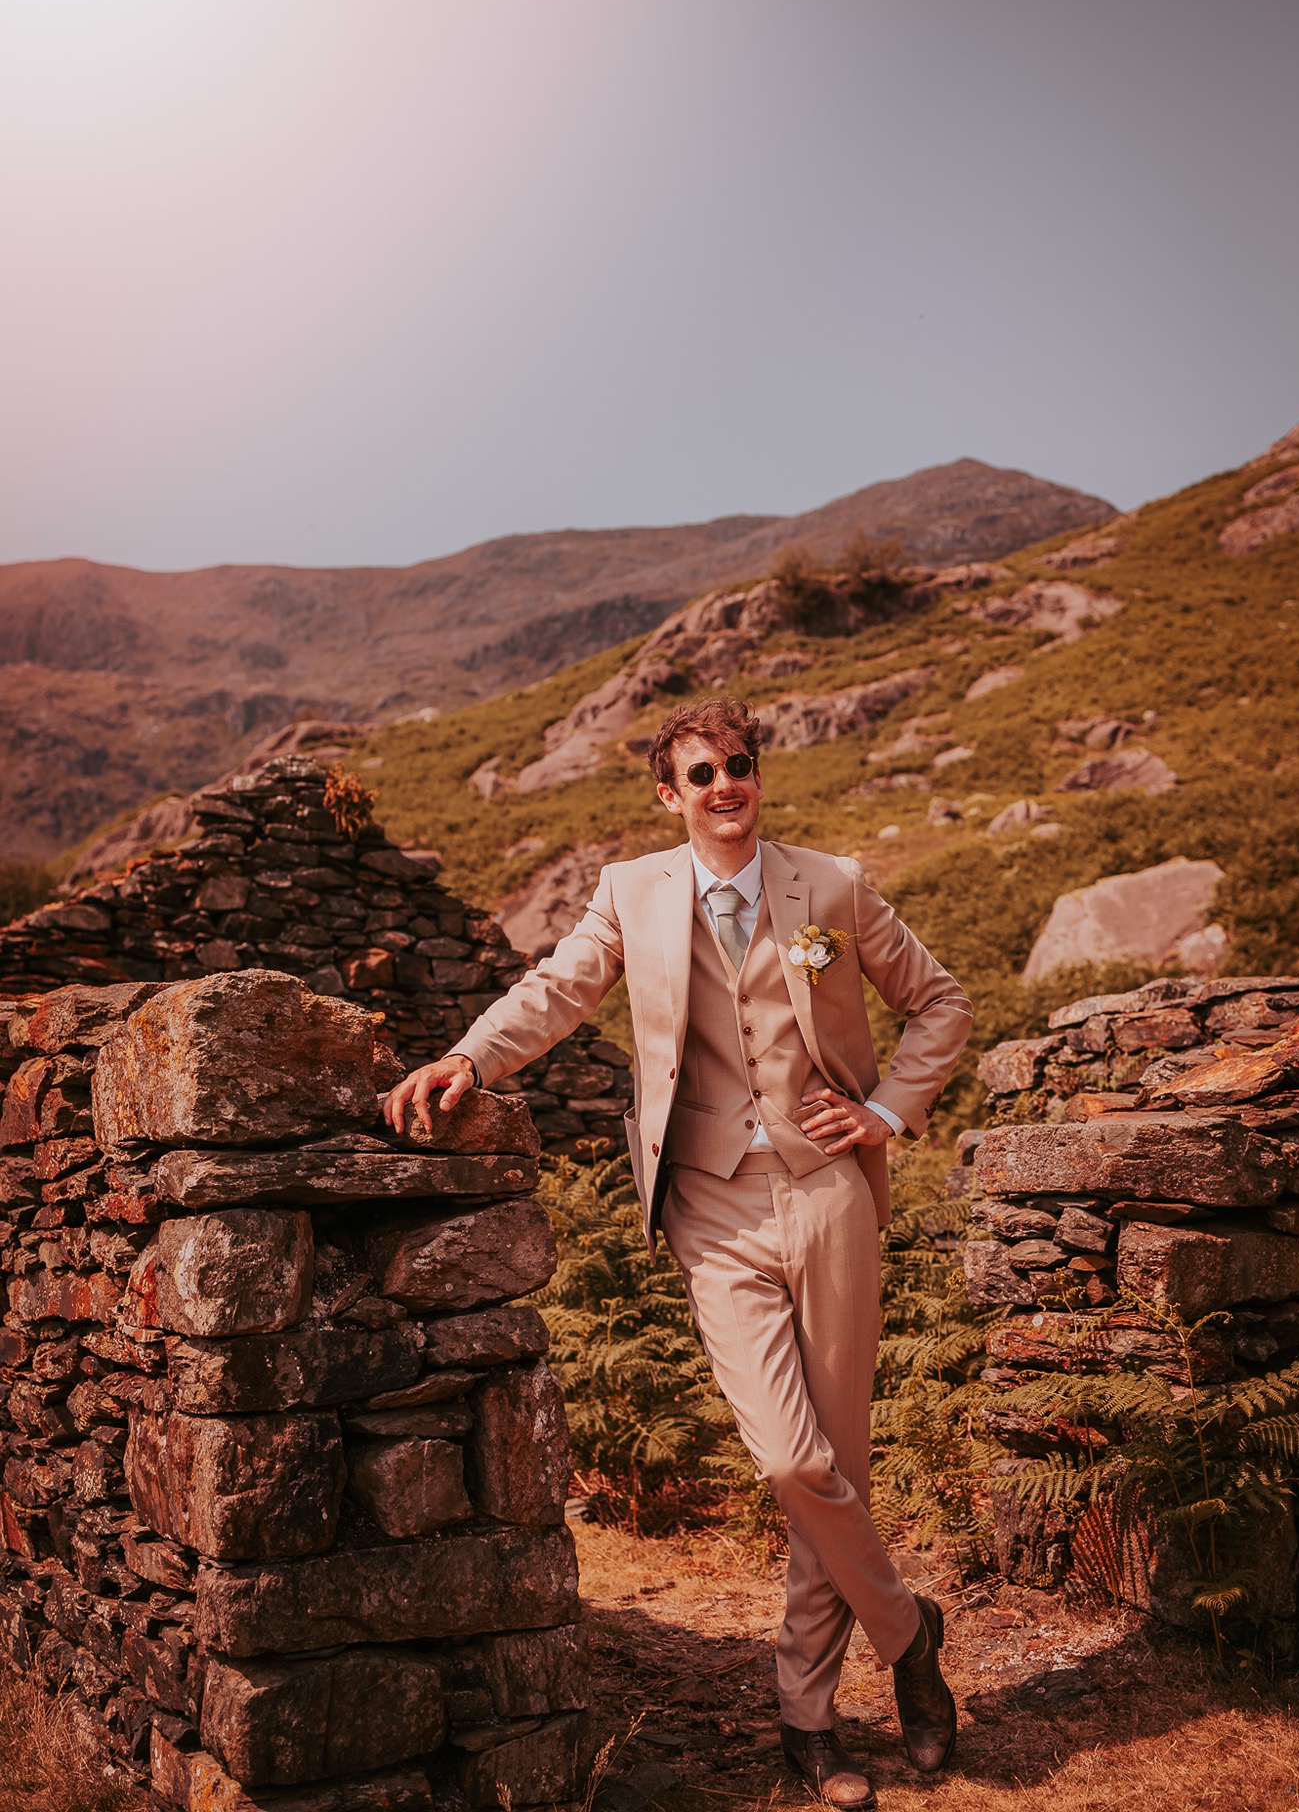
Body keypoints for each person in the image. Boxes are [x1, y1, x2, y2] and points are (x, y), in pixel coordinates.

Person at [388, 694, 973, 1802]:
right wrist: (468, 1057)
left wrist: (889, 1111)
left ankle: (808, 1723)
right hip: (709, 1201)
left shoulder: (832, 886)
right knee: (791, 1462)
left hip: (830, 1190)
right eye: (699, 773)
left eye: (738, 765)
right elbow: (556, 990)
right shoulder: (629, 892)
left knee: (832, 1466)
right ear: (670, 794)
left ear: (758, 774)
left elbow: (938, 1003)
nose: (724, 786)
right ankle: (910, 1635)